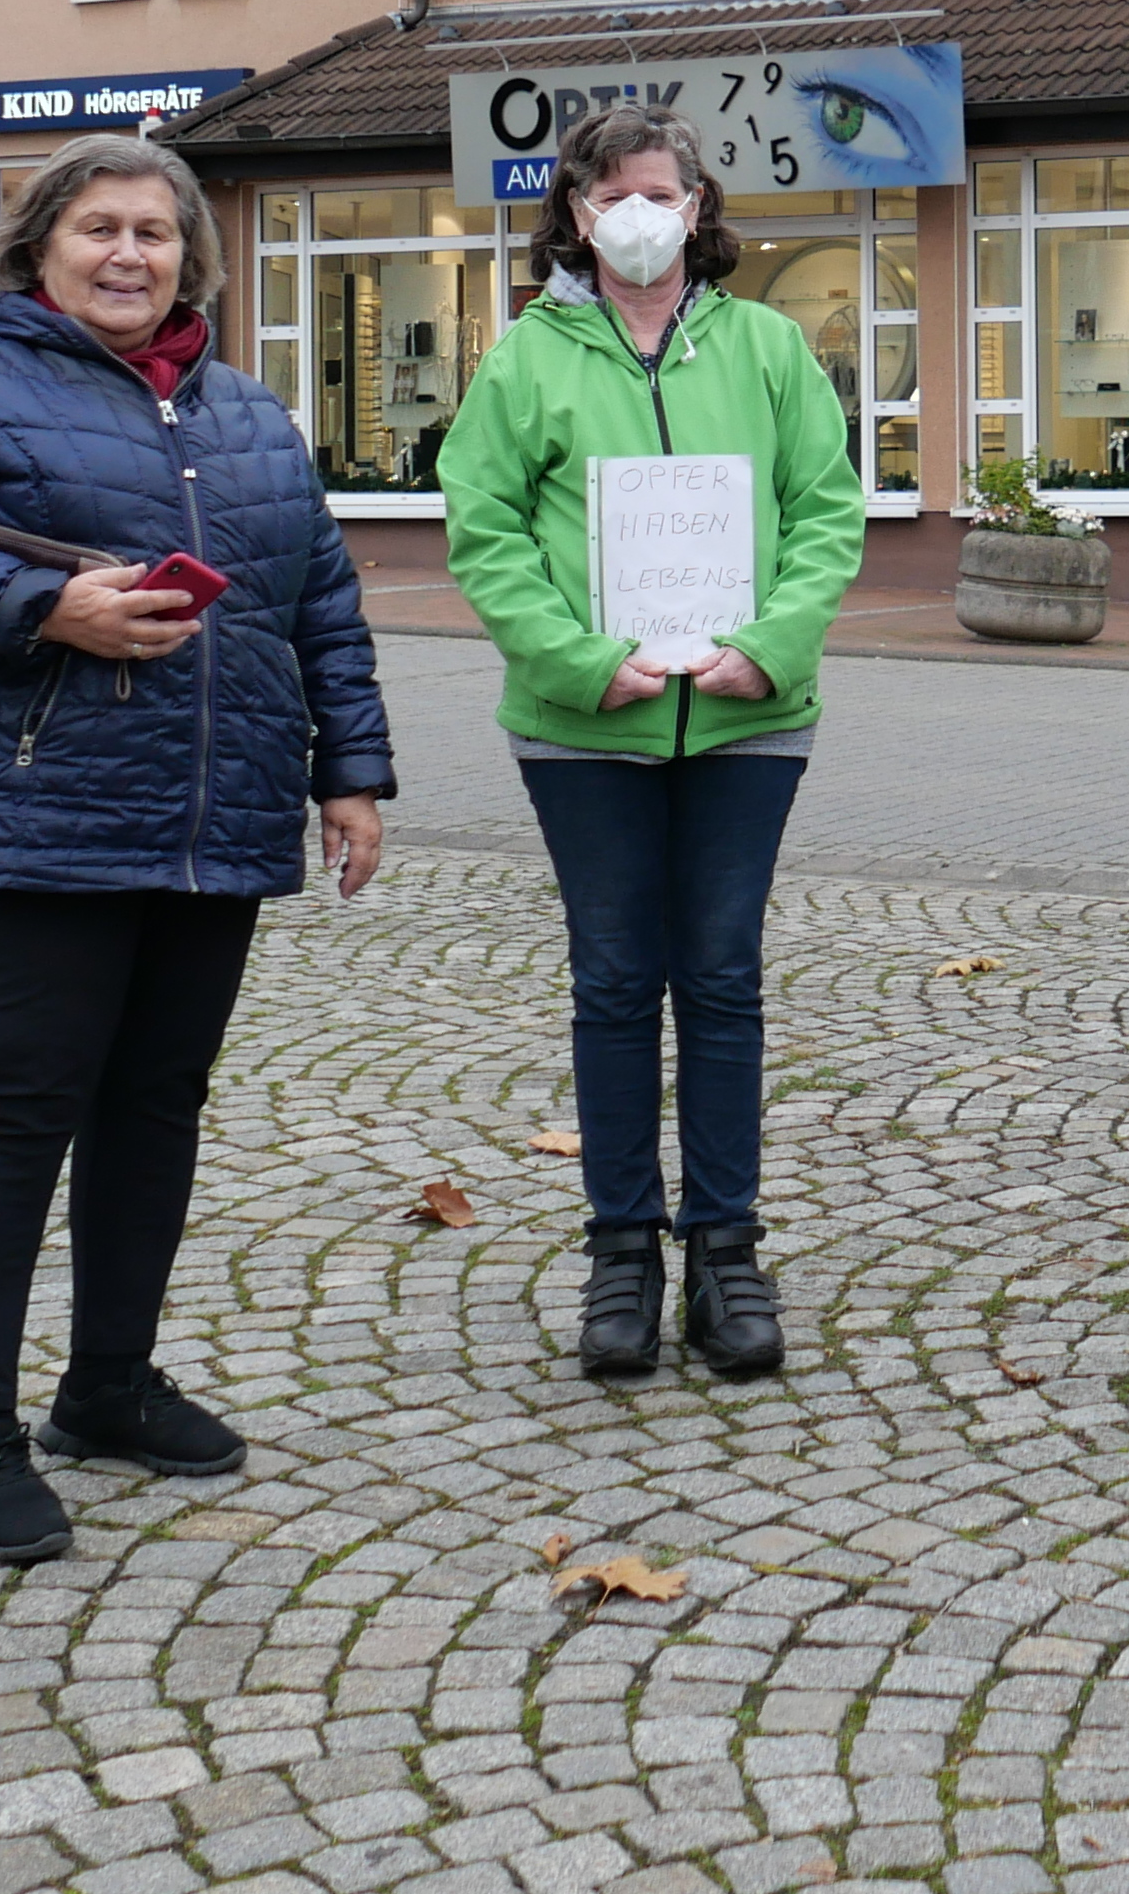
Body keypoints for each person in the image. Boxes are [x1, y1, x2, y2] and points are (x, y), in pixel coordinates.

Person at [0, 133, 394, 1568]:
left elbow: (317, 603)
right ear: (39, 248)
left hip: (210, 823)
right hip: (25, 821)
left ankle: (109, 1384)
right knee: (13, 1122)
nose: (129, 255)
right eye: (99, 230)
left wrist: (353, 773)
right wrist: (41, 610)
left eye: (155, 231)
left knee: (154, 1112)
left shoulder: (248, 417)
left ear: (191, 257)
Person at [436, 106, 868, 1383]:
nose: (637, 213)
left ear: (696, 207)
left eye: (660, 192)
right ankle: (621, 1250)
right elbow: (487, 528)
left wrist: (770, 649)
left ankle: (726, 1254)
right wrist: (579, 662)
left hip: (749, 721)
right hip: (586, 729)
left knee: (723, 980)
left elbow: (825, 515)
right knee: (617, 984)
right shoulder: (525, 360)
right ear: (576, 211)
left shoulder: (771, 347)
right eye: (610, 193)